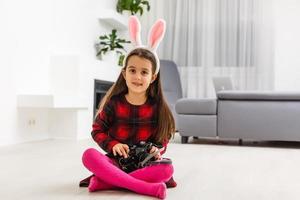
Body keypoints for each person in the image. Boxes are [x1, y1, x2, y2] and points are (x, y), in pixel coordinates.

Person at [81, 16, 176, 199]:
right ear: (124, 73)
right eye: (132, 70)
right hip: (116, 162)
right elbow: (97, 130)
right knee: (89, 155)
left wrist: (157, 150)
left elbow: (163, 138)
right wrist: (114, 144)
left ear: (153, 77)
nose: (137, 77)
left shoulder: (157, 107)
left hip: (144, 163)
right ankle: (145, 187)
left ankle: (106, 181)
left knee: (167, 169)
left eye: (144, 72)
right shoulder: (114, 103)